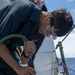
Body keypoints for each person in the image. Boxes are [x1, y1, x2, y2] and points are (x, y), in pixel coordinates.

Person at [0, 0, 73, 75]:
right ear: (47, 18)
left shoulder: (40, 33)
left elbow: (25, 61)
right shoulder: (22, 8)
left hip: (8, 48)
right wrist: (18, 68)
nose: (47, 35)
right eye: (50, 32)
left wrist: (26, 54)